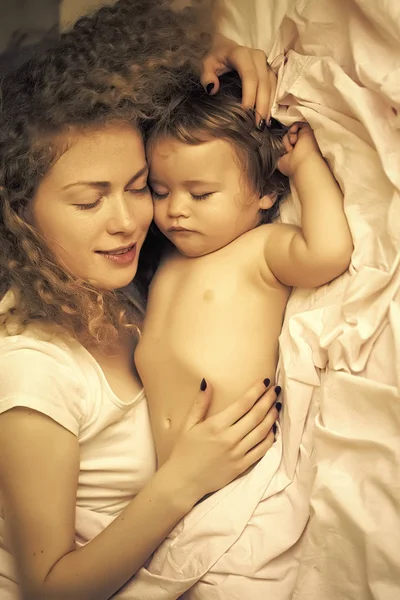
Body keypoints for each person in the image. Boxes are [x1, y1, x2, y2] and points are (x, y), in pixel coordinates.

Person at [0, 2, 281, 599]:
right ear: (20, 212)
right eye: (88, 201)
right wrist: (183, 480)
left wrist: (212, 63)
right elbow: (50, 589)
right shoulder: (32, 367)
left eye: (136, 188)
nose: (128, 221)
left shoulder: (119, 283)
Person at [136, 73, 354, 467]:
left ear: (265, 192)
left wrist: (304, 166)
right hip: (172, 478)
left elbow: (329, 253)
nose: (175, 209)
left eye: (201, 194)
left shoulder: (260, 249)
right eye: (160, 191)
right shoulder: (165, 256)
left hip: (235, 465)